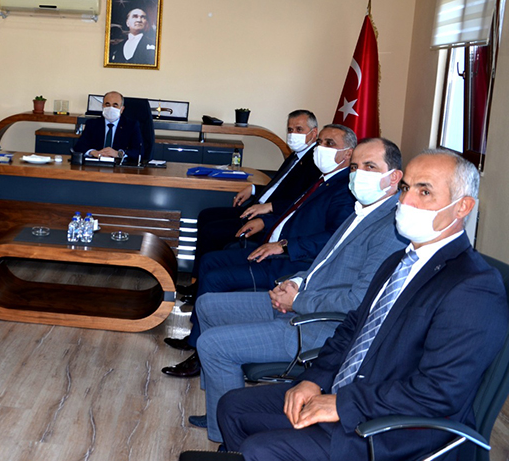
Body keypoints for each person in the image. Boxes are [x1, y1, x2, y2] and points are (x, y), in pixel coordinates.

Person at [217, 149, 509, 461]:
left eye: (424, 192)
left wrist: (343, 404)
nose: (406, 201)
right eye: (406, 188)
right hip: (349, 393)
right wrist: (315, 379)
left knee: (259, 449)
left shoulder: (474, 286)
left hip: (393, 429)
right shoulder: (398, 261)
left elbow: (440, 392)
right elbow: (352, 329)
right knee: (232, 407)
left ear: (463, 206)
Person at [186, 137, 407, 442]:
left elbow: (358, 302)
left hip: (322, 327)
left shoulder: (391, 228)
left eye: (370, 166)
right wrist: (294, 283)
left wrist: (299, 300)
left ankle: (227, 437)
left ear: (394, 177)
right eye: (355, 167)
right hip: (303, 301)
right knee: (208, 305)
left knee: (213, 345)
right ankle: (220, 405)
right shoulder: (362, 211)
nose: (358, 174)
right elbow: (323, 265)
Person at [163, 124, 357, 378]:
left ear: (348, 153)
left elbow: (334, 238)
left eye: (329, 143)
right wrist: (265, 222)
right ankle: (195, 340)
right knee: (210, 261)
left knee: (215, 278)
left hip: (290, 261)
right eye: (320, 142)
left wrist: (284, 245)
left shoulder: (345, 189)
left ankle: (202, 356)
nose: (320, 148)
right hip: (271, 247)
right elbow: (293, 213)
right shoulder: (323, 180)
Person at [188, 110, 320, 285]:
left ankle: (200, 282)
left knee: (212, 231)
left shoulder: (314, 163)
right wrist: (253, 189)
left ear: (314, 133)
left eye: (299, 129)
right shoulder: (297, 155)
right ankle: (196, 279)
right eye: (290, 130)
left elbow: (303, 202)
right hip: (257, 207)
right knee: (206, 215)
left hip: (272, 218)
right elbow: (278, 187)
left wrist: (270, 208)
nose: (293, 134)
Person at [72, 91, 144, 162]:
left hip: (119, 166)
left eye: (115, 105)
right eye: (107, 104)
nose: (111, 108)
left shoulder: (131, 126)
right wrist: (92, 152)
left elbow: (139, 151)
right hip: (96, 164)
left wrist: (118, 154)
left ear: (122, 109)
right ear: (103, 106)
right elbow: (79, 147)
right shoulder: (92, 124)